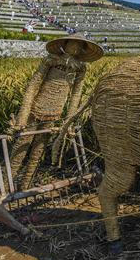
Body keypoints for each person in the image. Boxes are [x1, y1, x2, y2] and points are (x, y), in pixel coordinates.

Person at [8, 35, 104, 190]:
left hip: (54, 115)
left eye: (79, 46)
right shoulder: (51, 61)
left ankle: (25, 186)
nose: (75, 48)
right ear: (64, 45)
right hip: (35, 111)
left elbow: (75, 96)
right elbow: (33, 85)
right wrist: (23, 116)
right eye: (72, 44)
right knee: (21, 148)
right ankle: (7, 184)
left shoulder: (80, 68)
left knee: (38, 152)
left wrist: (69, 122)